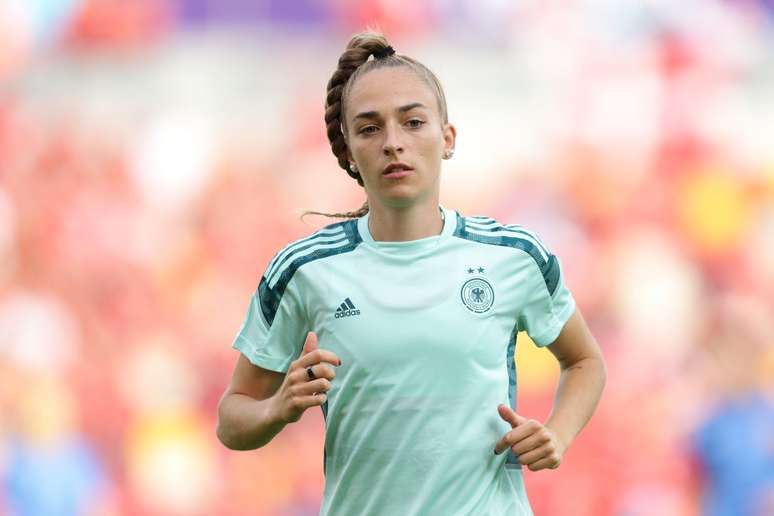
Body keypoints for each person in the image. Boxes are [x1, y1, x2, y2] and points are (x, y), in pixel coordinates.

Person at [216, 30, 607, 516]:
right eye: (369, 128)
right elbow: (232, 419)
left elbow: (585, 362)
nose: (394, 143)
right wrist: (278, 408)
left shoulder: (513, 256)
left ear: (447, 139)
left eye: (413, 122)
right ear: (349, 151)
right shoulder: (304, 268)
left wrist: (558, 434)